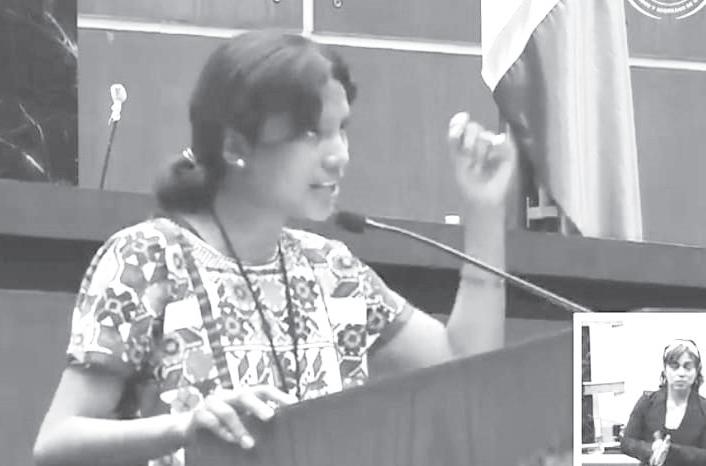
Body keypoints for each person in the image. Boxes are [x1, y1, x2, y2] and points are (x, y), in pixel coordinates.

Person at [33, 30, 516, 466]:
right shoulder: (147, 258)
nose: (339, 155)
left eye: (342, 129)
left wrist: (485, 210)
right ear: (234, 146)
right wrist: (185, 427)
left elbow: (466, 369)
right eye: (311, 134)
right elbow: (55, 443)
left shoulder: (333, 269)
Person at [621, 339, 706, 466]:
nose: (681, 373)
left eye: (687, 367)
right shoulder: (647, 403)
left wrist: (670, 451)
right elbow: (627, 442)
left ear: (696, 371)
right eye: (674, 366)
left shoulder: (704, 409)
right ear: (665, 370)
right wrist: (651, 449)